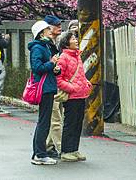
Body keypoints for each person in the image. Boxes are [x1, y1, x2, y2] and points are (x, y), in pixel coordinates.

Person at [56, 30, 92, 162]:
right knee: (70, 123)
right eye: (72, 39)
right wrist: (73, 88)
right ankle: (66, 151)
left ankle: (74, 149)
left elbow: (78, 75)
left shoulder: (77, 56)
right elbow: (58, 79)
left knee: (78, 123)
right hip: (71, 96)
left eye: (75, 38)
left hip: (81, 94)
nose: (76, 40)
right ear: (66, 43)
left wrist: (85, 83)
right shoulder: (63, 58)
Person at [29, 20, 61, 165]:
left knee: (44, 121)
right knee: (44, 122)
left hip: (48, 85)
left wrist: (54, 68)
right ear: (41, 33)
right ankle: (40, 154)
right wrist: (52, 63)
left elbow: (45, 67)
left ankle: (38, 153)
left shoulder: (45, 46)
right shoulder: (38, 48)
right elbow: (37, 67)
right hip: (44, 88)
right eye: (47, 29)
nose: (50, 30)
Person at [46, 18, 78, 158]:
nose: (59, 27)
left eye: (60, 25)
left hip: (56, 85)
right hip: (50, 85)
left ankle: (47, 146)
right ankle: (61, 148)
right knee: (55, 118)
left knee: (54, 117)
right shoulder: (45, 44)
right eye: (56, 26)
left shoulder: (56, 42)